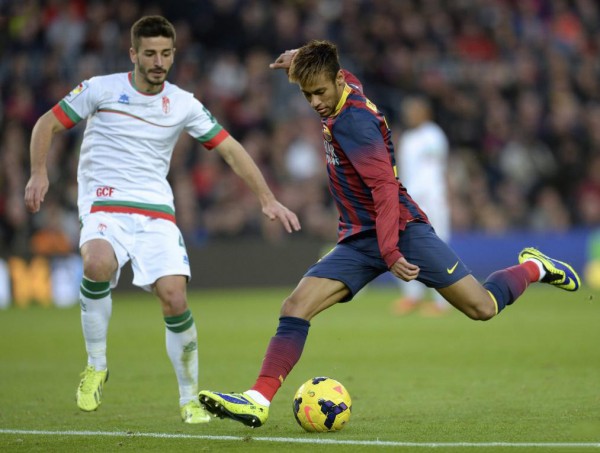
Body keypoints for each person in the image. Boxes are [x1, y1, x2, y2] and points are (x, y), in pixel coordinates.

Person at [198, 40, 581, 428]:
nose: (314, 102)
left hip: (401, 229)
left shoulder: (355, 123)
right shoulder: (345, 86)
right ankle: (257, 399)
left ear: (336, 81)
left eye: (319, 92)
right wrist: (298, 58)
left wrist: (391, 249)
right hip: (359, 237)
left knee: (480, 306)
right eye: (306, 94)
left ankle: (534, 267)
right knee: (295, 307)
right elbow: (330, 68)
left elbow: (384, 191)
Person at [24, 16, 300, 424]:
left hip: (156, 212)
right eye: (150, 53)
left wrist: (267, 198)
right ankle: (96, 365)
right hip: (105, 206)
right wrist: (38, 171)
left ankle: (189, 399)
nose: (158, 61)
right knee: (97, 262)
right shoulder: (101, 89)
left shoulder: (183, 102)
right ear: (133, 54)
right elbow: (46, 123)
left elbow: (230, 149)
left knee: (174, 297)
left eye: (166, 54)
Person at [392, 96, 451, 316]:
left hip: (432, 200)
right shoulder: (407, 138)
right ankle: (412, 296)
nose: (409, 114)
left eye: (413, 110)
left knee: (438, 248)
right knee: (406, 247)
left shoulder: (433, 135)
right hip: (410, 201)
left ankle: (442, 301)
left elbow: (436, 169)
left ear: (425, 112)